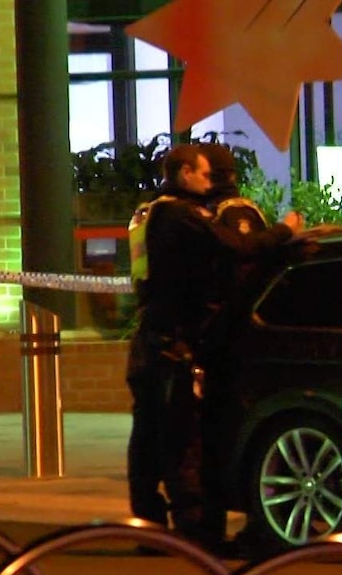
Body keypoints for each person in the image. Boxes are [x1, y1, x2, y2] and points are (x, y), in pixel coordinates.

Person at [125, 144, 301, 550]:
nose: (211, 184)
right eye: (205, 175)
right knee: (181, 441)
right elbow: (237, 248)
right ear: (185, 172)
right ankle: (196, 535)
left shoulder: (146, 213)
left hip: (148, 341)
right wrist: (285, 231)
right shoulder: (180, 216)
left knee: (147, 442)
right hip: (172, 346)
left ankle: (148, 528)